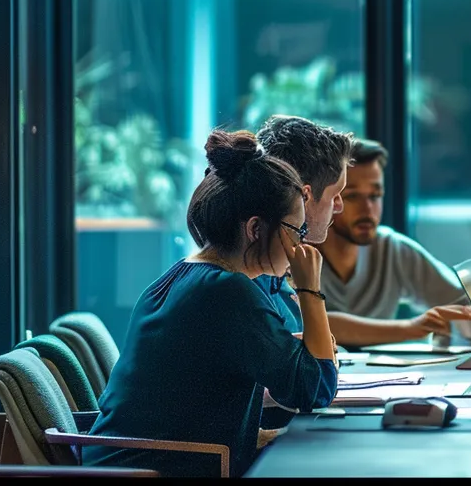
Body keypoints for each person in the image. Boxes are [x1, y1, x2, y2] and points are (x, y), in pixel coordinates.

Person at [86, 129, 338, 478]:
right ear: (255, 228)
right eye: (296, 230)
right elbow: (316, 389)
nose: (301, 244)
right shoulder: (228, 292)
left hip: (130, 465)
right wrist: (311, 290)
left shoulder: (182, 275)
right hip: (152, 471)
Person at [314, 138, 471, 346]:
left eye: (375, 195)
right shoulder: (297, 255)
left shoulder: (391, 248)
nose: (368, 209)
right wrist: (411, 328)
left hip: (385, 378)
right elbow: (313, 325)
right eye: (352, 196)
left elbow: (466, 303)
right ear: (329, 199)